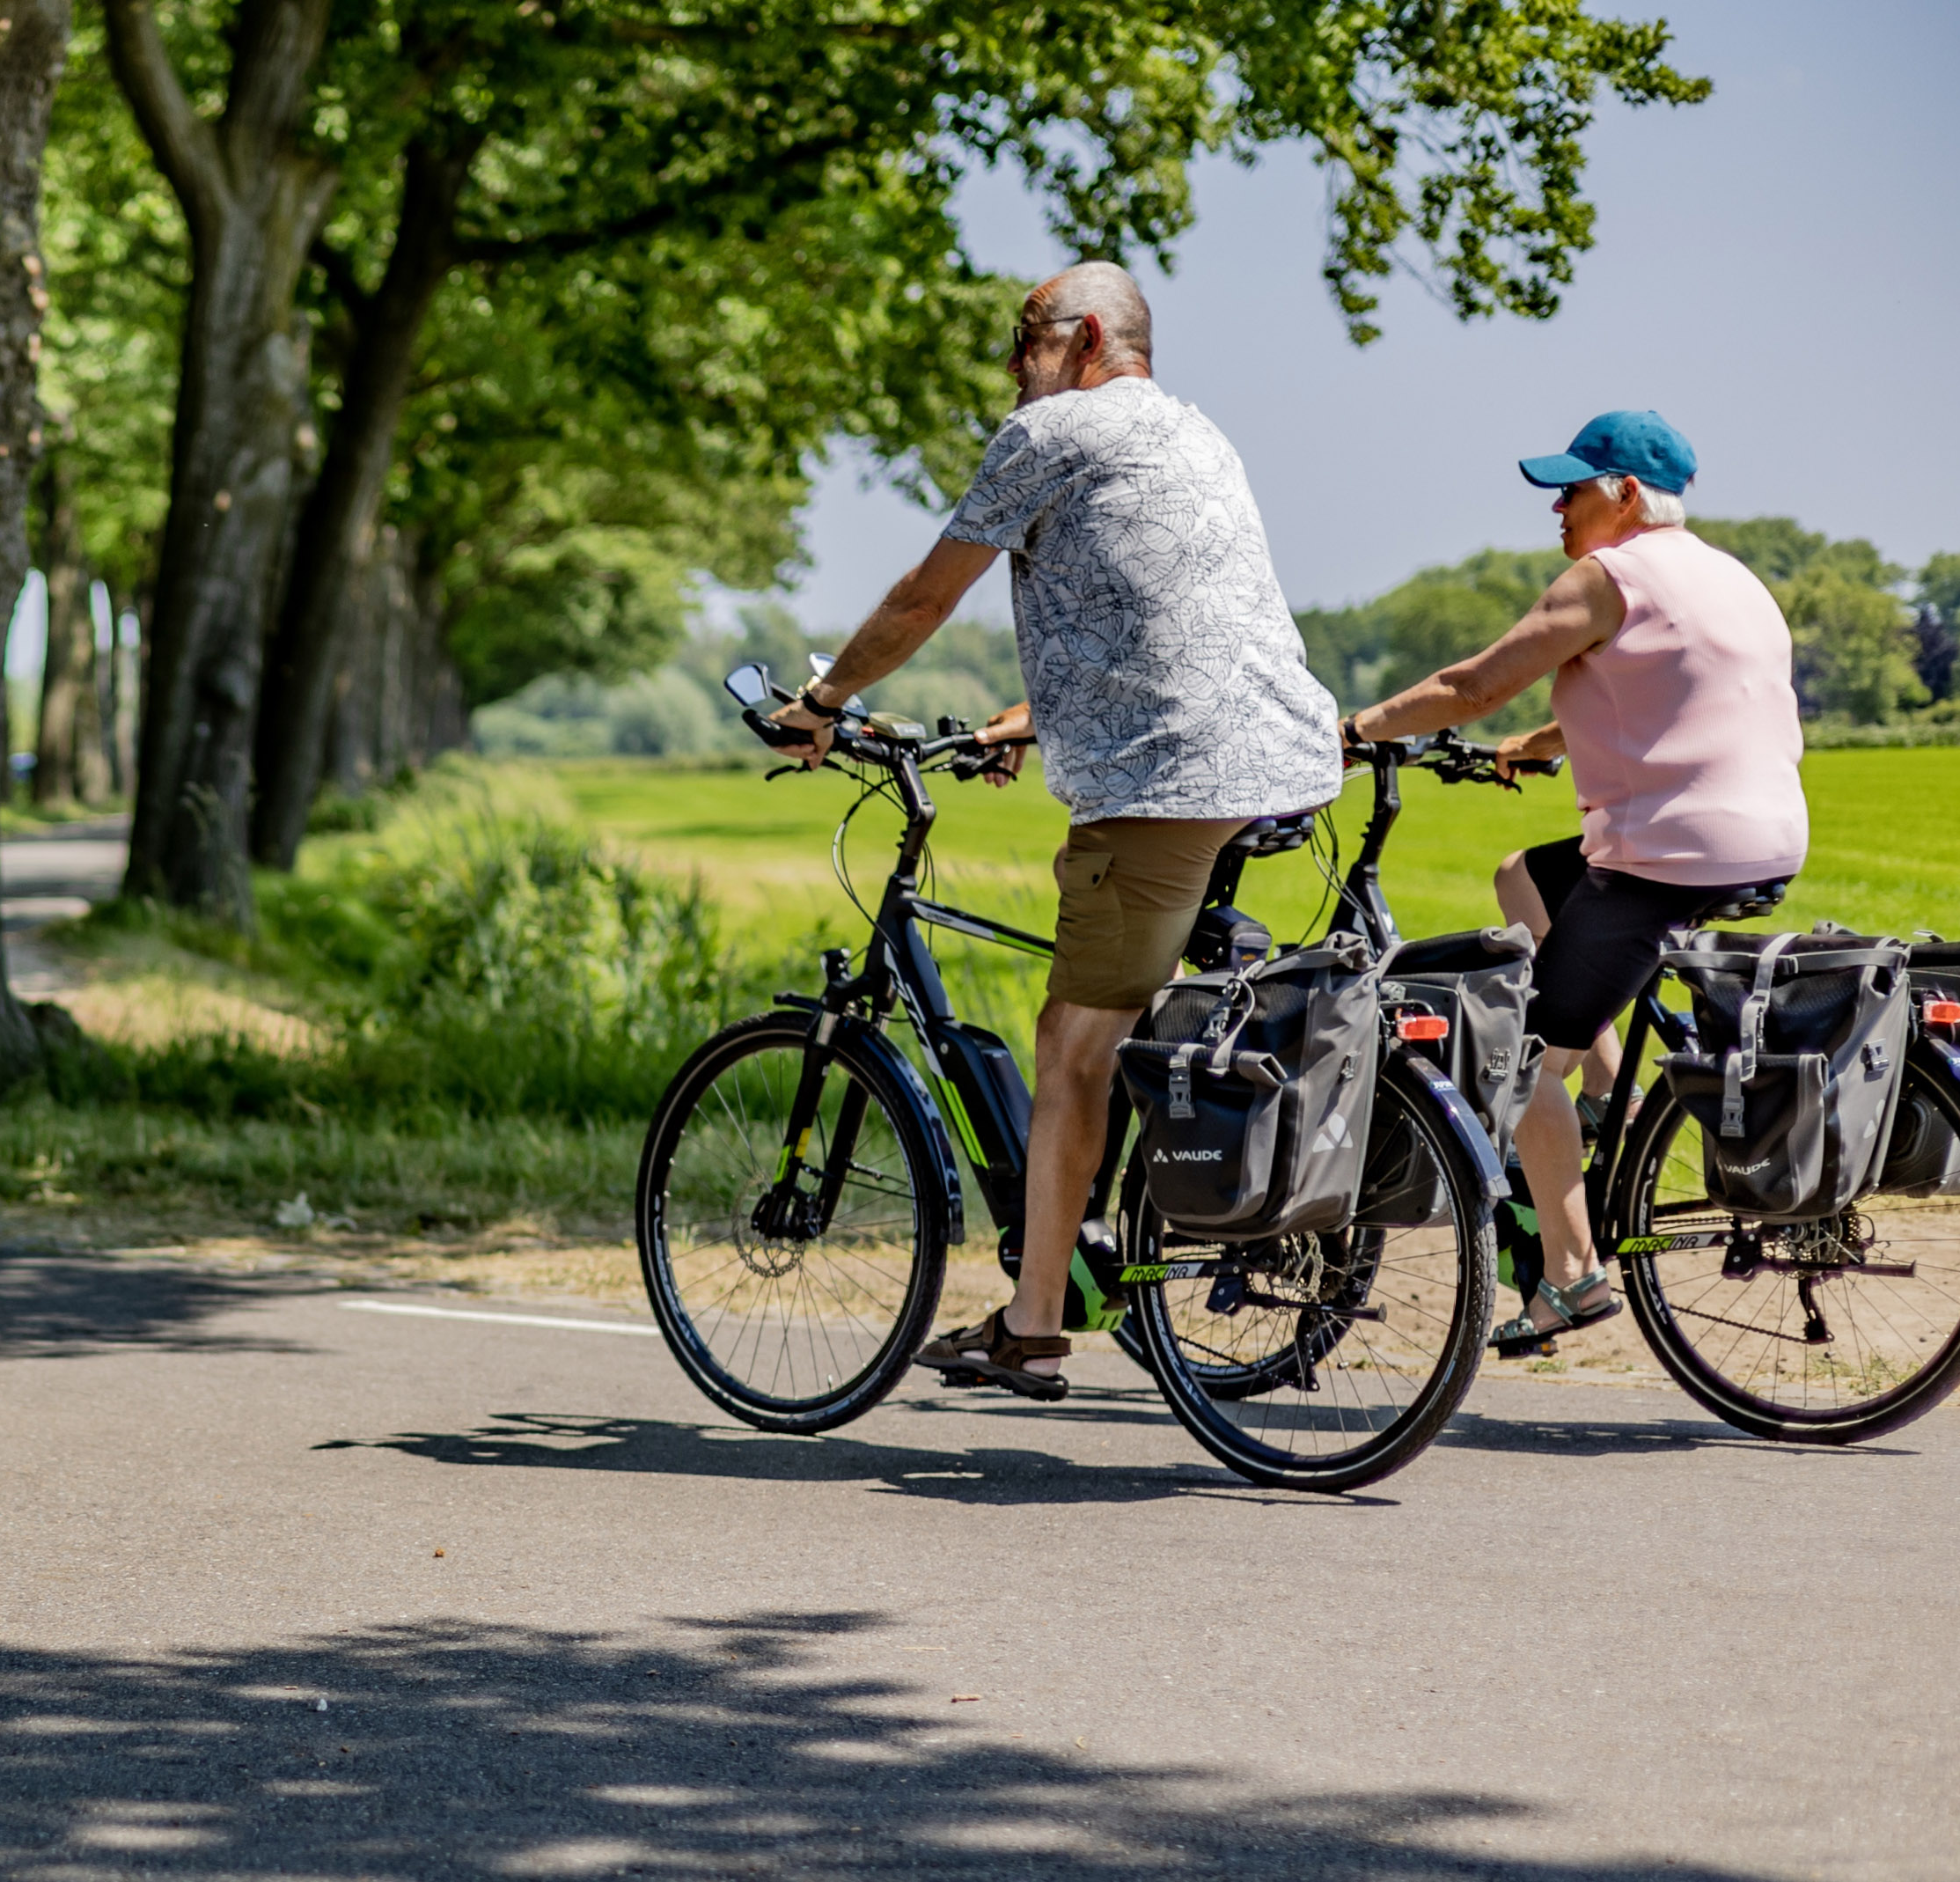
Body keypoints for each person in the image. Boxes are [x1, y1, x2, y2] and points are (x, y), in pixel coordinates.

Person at [771, 260, 1340, 1400]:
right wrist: (1039, 712)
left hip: (1168, 783)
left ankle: (1033, 1324)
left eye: (1024, 341)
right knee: (1142, 1012)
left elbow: (925, 598)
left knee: (1072, 1045)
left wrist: (823, 702)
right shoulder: (1194, 434)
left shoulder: (1053, 435)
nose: (1014, 369)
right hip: (1283, 765)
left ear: (1083, 339)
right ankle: (1109, 1228)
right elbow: (1169, 609)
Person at [1339, 410, 1809, 1354]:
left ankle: (1571, 1273)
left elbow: (1473, 682)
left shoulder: (1608, 576)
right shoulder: (1729, 576)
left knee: (1510, 1055)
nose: (1555, 506)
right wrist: (1544, 742)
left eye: (1572, 486)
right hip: (1763, 841)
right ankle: (1600, 1091)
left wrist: (1355, 731)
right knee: (1524, 874)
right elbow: (1678, 688)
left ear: (1624, 495)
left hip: (1663, 856)